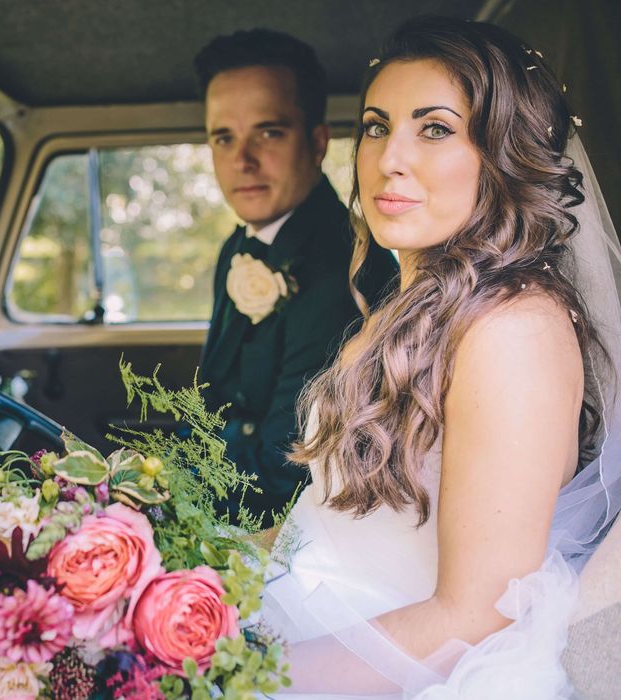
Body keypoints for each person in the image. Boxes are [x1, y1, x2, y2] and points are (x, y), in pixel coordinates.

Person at [261, 15, 621, 698]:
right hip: (305, 620)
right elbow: (334, 517)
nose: (390, 158)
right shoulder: (405, 309)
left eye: (434, 129)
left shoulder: (513, 330)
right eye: (375, 125)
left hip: (402, 664)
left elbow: (477, 616)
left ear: (502, 154)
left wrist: (242, 681)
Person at [194, 29, 399, 525]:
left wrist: (177, 508)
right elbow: (212, 398)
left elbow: (290, 465)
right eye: (224, 137)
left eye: (269, 132)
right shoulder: (238, 246)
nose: (242, 160)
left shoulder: (344, 268)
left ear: (317, 142)